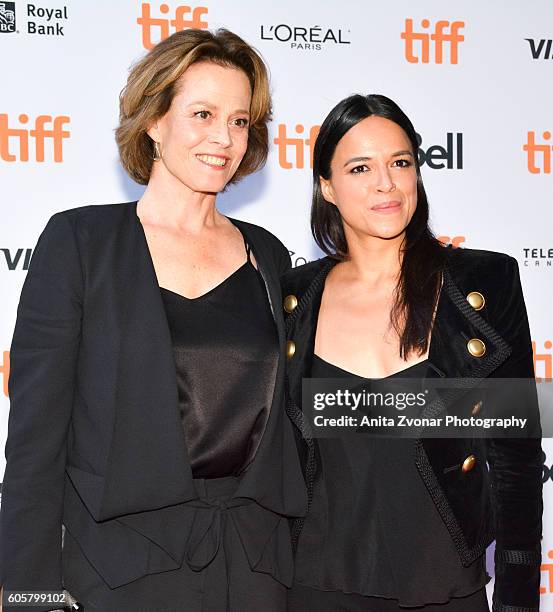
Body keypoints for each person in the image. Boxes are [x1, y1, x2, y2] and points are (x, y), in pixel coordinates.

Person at [0, 28, 306, 612]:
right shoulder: (81, 243)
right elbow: (35, 444)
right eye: (203, 114)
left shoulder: (267, 255)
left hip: (254, 570)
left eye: (239, 121)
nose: (224, 138)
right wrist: (29, 594)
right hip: (120, 572)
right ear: (153, 121)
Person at [282, 94, 542, 611]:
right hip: (314, 589)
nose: (386, 183)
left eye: (400, 162)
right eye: (361, 168)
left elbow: (516, 457)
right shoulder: (292, 300)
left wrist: (516, 599)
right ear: (326, 186)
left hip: (446, 589)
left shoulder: (485, 284)